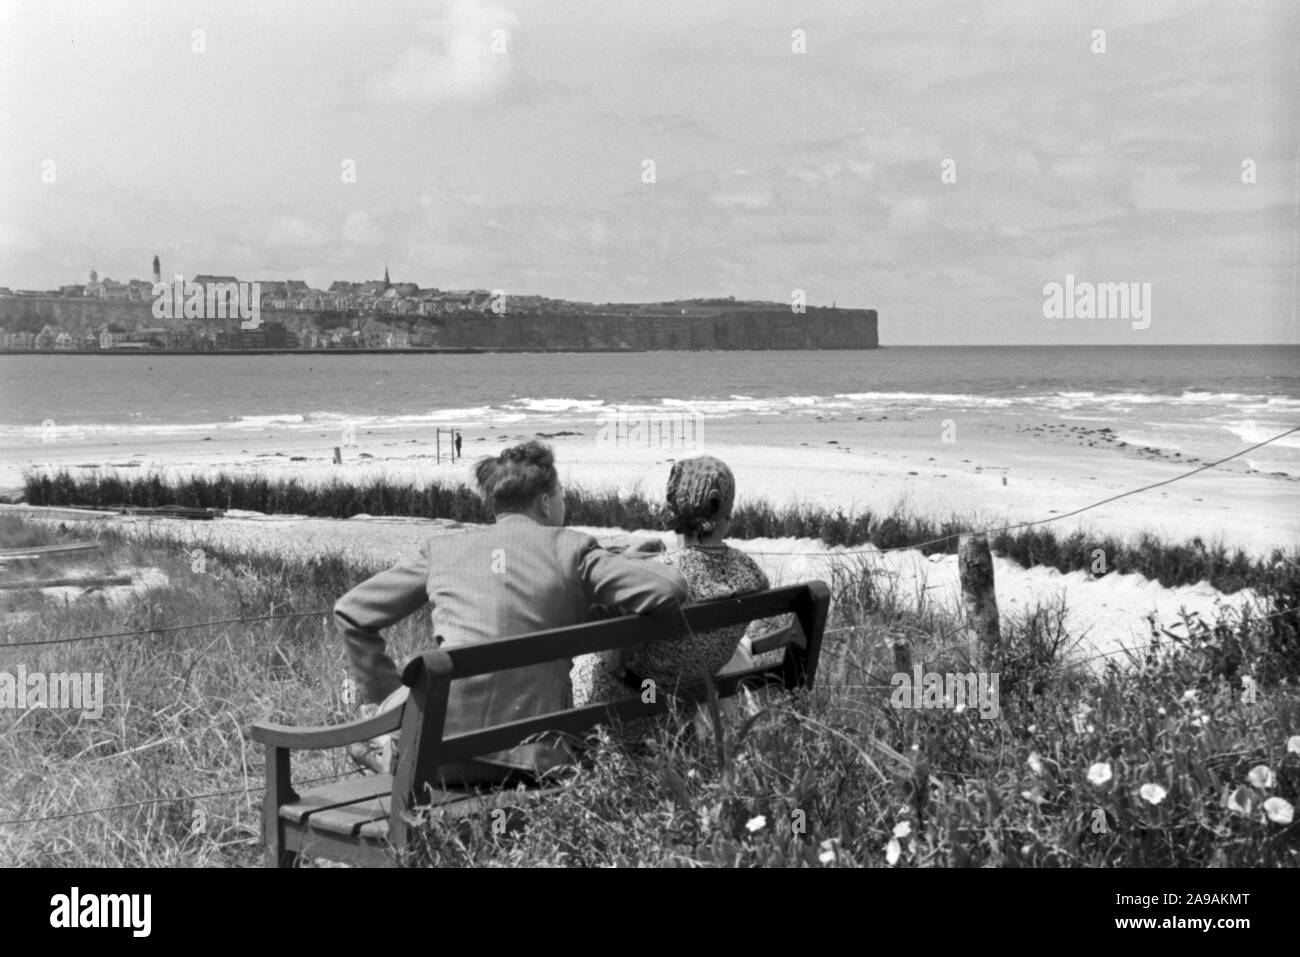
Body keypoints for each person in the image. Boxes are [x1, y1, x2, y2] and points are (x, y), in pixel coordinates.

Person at [335, 440, 688, 787]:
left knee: (361, 736)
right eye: (563, 496)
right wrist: (616, 560)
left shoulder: (442, 549)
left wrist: (387, 694)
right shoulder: (573, 551)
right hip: (537, 762)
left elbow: (351, 612)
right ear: (546, 502)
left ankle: (388, 752)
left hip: (438, 757)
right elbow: (667, 588)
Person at [570, 455, 792, 740]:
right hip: (679, 708)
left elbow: (615, 659)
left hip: (631, 706)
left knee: (596, 658)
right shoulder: (752, 575)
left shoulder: (660, 577)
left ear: (673, 509)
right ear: (727, 516)